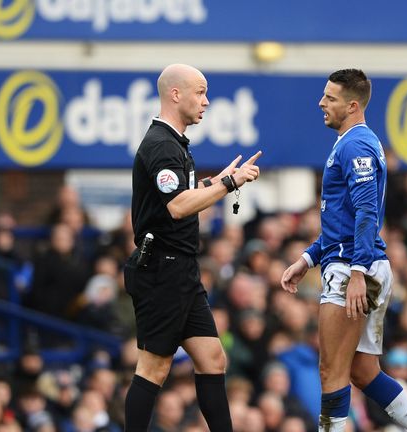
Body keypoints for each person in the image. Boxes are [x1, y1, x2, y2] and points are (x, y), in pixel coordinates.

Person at [123, 63, 261, 432]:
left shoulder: (176, 145)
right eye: (200, 92)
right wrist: (228, 183)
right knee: (154, 366)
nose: (206, 100)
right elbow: (177, 206)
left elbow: (183, 194)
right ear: (175, 94)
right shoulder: (161, 145)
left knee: (213, 358)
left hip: (181, 269)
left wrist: (215, 181)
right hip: (161, 270)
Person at [281, 69, 407, 432]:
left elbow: (367, 212)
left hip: (352, 269)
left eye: (330, 98)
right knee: (362, 370)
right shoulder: (352, 141)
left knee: (332, 370)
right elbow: (342, 220)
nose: (321, 103)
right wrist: (308, 258)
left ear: (352, 105)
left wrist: (357, 271)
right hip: (355, 262)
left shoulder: (356, 144)